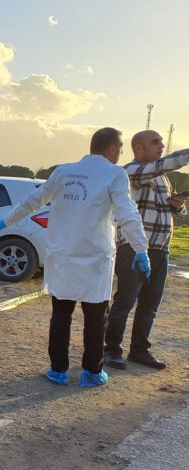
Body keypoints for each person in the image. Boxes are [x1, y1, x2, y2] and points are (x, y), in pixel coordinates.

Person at [0, 127, 150, 387]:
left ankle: (58, 370)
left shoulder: (64, 171)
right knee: (96, 316)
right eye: (120, 148)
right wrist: (141, 248)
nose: (121, 153)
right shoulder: (115, 174)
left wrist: (8, 219)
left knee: (61, 314)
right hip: (95, 257)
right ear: (111, 148)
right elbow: (127, 213)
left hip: (63, 255)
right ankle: (92, 371)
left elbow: (35, 199)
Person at [104, 131, 189, 370]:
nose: (161, 146)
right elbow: (162, 166)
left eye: (162, 142)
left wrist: (176, 206)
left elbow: (168, 208)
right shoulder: (130, 172)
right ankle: (111, 350)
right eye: (155, 142)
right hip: (135, 249)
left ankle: (139, 351)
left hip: (161, 249)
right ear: (138, 149)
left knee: (149, 305)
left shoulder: (162, 178)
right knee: (125, 301)